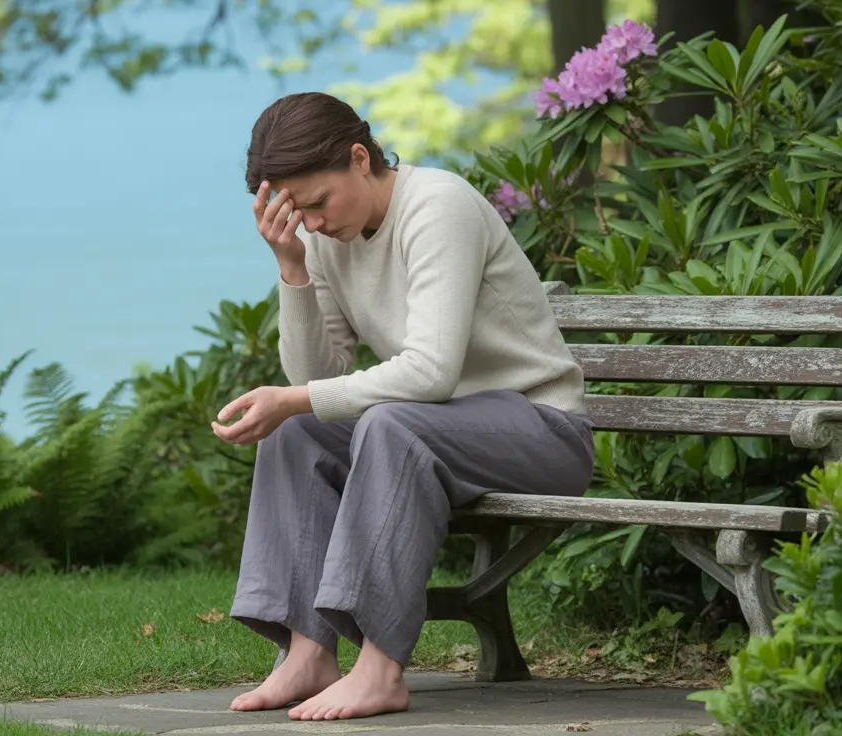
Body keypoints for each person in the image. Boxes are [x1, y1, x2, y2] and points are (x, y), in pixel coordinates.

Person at [209, 91, 595, 722]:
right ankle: (308, 652)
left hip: (541, 430)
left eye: (317, 202)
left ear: (360, 158)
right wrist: (293, 270)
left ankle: (381, 669)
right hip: (440, 430)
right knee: (295, 433)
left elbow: (431, 372)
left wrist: (299, 397)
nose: (310, 220)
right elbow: (315, 380)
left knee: (389, 423)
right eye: (294, 211)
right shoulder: (327, 239)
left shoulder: (437, 207)